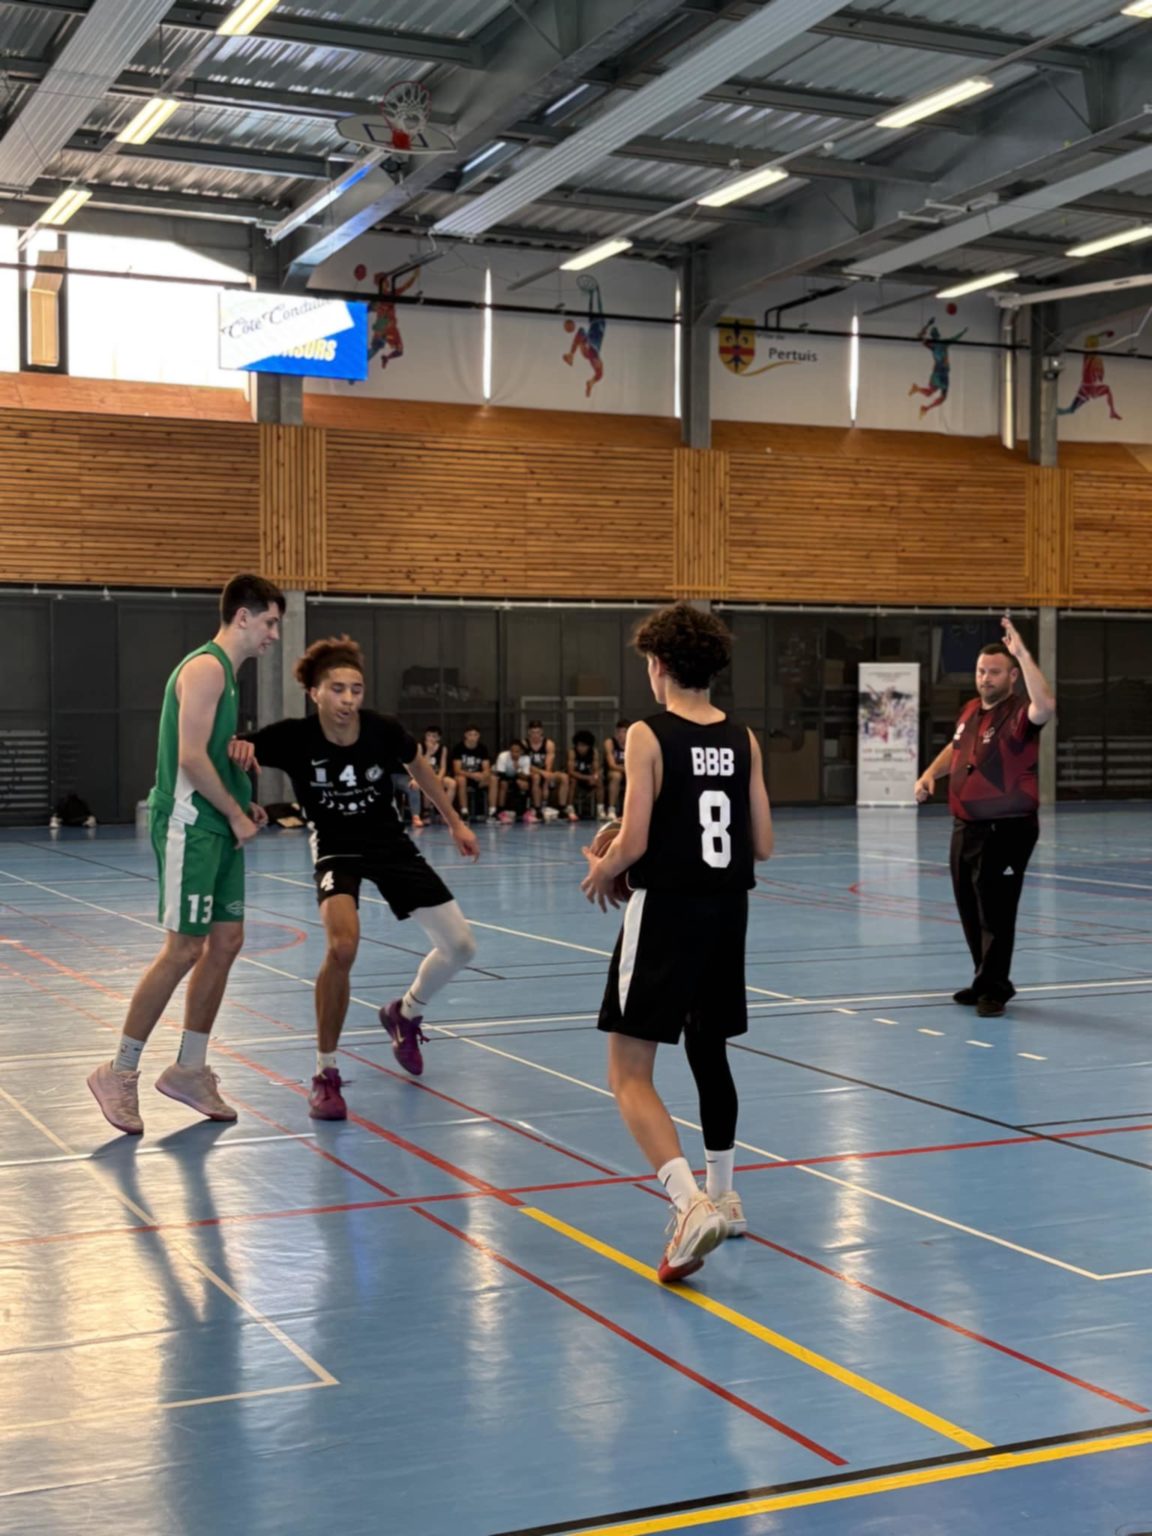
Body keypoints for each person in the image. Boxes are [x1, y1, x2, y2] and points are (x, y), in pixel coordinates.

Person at [581, 603, 774, 1284]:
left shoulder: (647, 733)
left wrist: (602, 867)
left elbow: (634, 841)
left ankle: (689, 1206)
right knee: (708, 1047)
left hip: (667, 911)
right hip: (728, 912)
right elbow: (763, 843)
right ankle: (724, 1195)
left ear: (658, 665)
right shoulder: (745, 739)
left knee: (628, 1073)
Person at [234, 636, 479, 1120]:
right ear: (315, 693)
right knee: (343, 947)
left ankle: (405, 1013)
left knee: (461, 947)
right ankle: (325, 1073)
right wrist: (240, 798)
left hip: (388, 843)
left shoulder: (382, 730)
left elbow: (418, 765)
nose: (348, 699)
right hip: (336, 846)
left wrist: (454, 821)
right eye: (337, 689)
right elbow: (229, 751)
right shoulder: (293, 737)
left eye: (356, 689)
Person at [87, 574, 285, 1135]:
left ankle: (190, 1069)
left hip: (217, 826)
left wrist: (242, 794)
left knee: (227, 941)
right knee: (183, 949)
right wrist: (236, 815)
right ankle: (118, 1071)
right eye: (270, 622)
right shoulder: (205, 669)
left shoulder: (229, 679)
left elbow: (212, 755)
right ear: (242, 616)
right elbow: (191, 759)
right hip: (190, 826)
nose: (274, 634)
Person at [915, 618, 1056, 1018]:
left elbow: (1046, 706)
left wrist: (1023, 653)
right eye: (981, 671)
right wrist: (929, 774)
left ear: (1012, 676)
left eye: (994, 672)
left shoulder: (1020, 714)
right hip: (966, 827)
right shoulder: (970, 710)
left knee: (996, 910)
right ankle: (984, 978)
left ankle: (995, 988)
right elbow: (956, 748)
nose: (985, 678)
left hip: (1008, 829)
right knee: (970, 908)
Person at [909, 317, 966, 418]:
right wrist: (928, 324)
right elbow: (920, 336)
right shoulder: (935, 345)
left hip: (940, 372)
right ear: (937, 335)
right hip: (941, 372)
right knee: (940, 396)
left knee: (932, 393)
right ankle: (923, 402)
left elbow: (920, 336)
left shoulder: (936, 345)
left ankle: (919, 394)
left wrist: (928, 324)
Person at [525, 720, 569, 822]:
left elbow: (549, 765)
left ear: (542, 732)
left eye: (538, 732)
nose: (535, 735)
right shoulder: (525, 744)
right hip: (530, 772)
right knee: (536, 777)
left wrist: (546, 782)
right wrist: (542, 773)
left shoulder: (549, 744)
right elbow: (525, 764)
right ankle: (538, 809)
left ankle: (562, 808)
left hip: (545, 772)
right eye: (533, 732)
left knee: (564, 777)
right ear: (529, 732)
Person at [452, 725, 496, 820]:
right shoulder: (458, 748)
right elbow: (457, 770)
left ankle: (492, 811)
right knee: (461, 780)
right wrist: (471, 775)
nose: (472, 737)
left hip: (478, 778)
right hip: (464, 777)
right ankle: (464, 811)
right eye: (470, 735)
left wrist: (483, 775)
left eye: (475, 735)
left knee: (493, 779)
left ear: (479, 736)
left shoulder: (482, 748)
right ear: (465, 735)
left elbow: (486, 767)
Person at [414, 726, 454, 826]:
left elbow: (443, 767)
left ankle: (445, 813)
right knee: (428, 783)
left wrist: (439, 777)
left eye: (434, 736)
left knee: (452, 783)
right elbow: (420, 765)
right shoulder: (420, 746)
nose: (431, 738)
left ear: (438, 738)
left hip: (437, 776)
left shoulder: (443, 748)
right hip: (423, 775)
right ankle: (426, 812)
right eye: (429, 736)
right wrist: (428, 752)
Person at [495, 738, 531, 822]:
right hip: (503, 777)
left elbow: (526, 777)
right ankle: (500, 811)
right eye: (512, 751)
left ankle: (524, 811)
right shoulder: (503, 756)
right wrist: (515, 780)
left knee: (525, 784)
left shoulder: (526, 758)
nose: (514, 753)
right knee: (504, 784)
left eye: (517, 751)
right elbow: (501, 774)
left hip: (517, 777)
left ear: (521, 751)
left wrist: (518, 769)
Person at [567, 730, 601, 820]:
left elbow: (596, 770)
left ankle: (600, 809)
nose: (580, 748)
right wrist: (587, 777)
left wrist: (595, 777)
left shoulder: (594, 753)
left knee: (599, 781)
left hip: (588, 777)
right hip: (576, 777)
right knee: (572, 781)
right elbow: (570, 771)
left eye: (583, 746)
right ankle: (570, 808)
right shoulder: (572, 752)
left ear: (589, 746)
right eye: (579, 745)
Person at [603, 719, 630, 821]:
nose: (621, 734)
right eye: (619, 731)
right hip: (611, 773)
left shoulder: (634, 743)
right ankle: (611, 809)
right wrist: (626, 770)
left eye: (625, 731)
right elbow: (612, 765)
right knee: (616, 775)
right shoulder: (609, 742)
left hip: (628, 773)